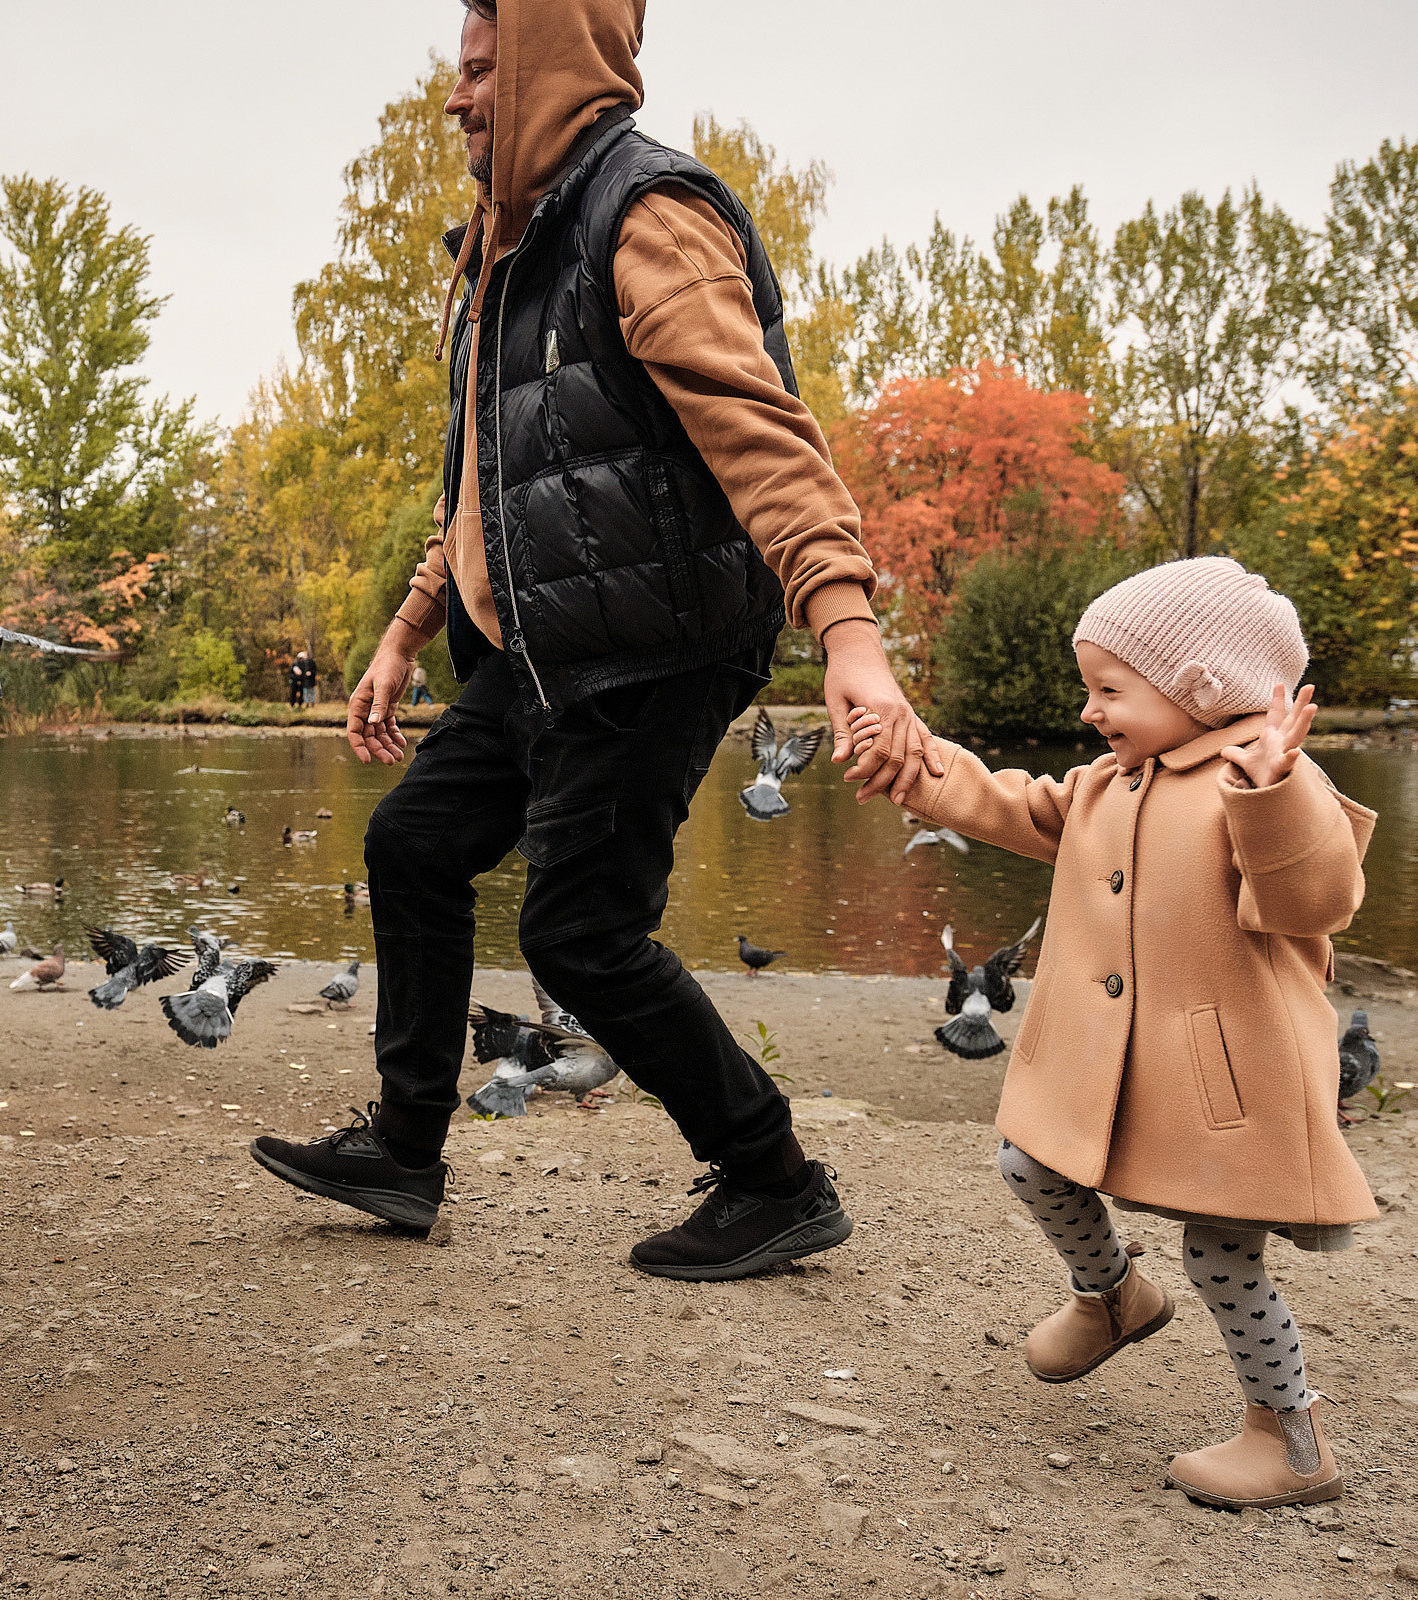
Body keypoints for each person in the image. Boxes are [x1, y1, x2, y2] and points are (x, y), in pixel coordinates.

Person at [249, 0, 939, 1280]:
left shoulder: (645, 215)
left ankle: (772, 1177)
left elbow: (762, 432)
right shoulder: (510, 250)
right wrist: (407, 630)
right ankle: (405, 1151)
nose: (457, 99)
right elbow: (485, 489)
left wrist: (847, 628)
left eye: (480, 70)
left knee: (580, 932)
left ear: (552, 61)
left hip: (656, 643)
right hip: (543, 645)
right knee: (412, 843)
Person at [849, 556, 1375, 1510]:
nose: (1089, 710)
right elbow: (1007, 803)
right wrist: (912, 755)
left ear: (1199, 688)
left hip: (1227, 1080)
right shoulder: (1108, 784)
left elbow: (1318, 899)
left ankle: (1291, 1442)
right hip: (1115, 1062)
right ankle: (1114, 1295)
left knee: (1222, 1256)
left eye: (1109, 689)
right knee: (1028, 1161)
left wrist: (1274, 795)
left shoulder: (1265, 783)